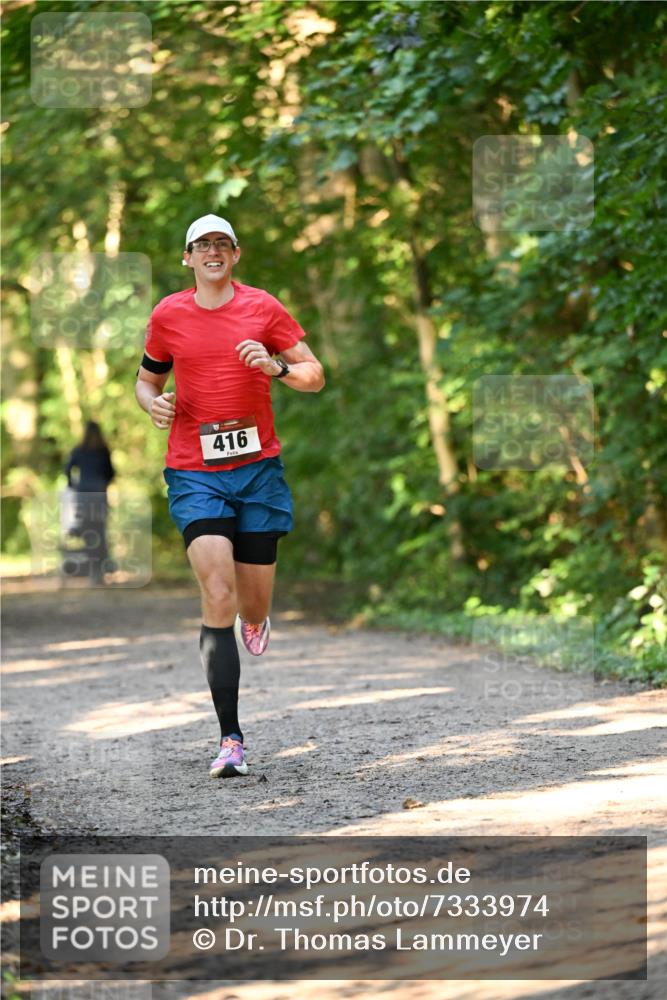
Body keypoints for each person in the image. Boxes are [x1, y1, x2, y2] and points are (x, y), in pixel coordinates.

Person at [135, 214, 324, 779]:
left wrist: (277, 366)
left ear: (235, 255)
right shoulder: (168, 314)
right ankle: (230, 739)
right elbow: (148, 380)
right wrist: (154, 405)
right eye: (202, 245)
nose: (212, 252)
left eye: (222, 244)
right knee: (217, 589)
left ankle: (257, 618)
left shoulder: (263, 308)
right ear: (187, 258)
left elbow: (314, 374)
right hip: (195, 472)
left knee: (252, 602)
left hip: (259, 471)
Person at [64, 421, 115, 583]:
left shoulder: (79, 450)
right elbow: (111, 473)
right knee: (99, 531)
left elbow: (67, 469)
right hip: (99, 494)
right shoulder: (103, 451)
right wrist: (103, 484)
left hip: (84, 495)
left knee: (88, 532)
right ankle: (100, 570)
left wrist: (73, 485)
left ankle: (93, 571)